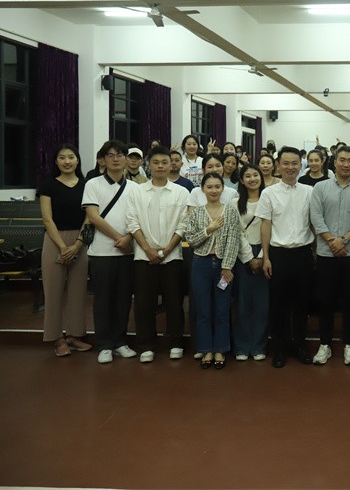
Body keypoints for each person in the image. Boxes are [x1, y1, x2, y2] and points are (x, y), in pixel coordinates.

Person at [125, 145, 189, 363]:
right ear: (149, 165)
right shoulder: (137, 192)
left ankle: (176, 343)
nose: (160, 166)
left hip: (172, 257)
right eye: (156, 162)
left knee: (174, 303)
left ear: (171, 165)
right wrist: (148, 249)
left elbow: (183, 224)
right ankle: (146, 345)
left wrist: (167, 249)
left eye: (164, 162)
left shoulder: (181, 192)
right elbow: (132, 222)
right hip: (144, 256)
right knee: (144, 304)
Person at [310, 146, 350, 366]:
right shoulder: (320, 188)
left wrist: (343, 240)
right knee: (325, 300)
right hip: (326, 254)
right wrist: (332, 241)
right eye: (342, 160)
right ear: (334, 162)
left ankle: (349, 345)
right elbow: (316, 217)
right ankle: (324, 344)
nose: (346, 164)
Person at [258, 147, 315, 368]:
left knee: (302, 303)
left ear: (301, 166)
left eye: (294, 163)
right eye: (286, 163)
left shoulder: (310, 191)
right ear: (278, 166)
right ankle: (279, 348)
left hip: (303, 253)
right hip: (278, 254)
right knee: (278, 304)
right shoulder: (268, 193)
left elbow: (315, 223)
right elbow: (265, 225)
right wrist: (266, 257)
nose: (290, 167)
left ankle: (300, 345)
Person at [81, 140, 137, 364]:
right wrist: (118, 238)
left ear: (126, 159)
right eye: (111, 155)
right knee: (103, 300)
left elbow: (138, 218)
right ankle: (104, 344)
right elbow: (93, 217)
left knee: (123, 299)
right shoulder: (93, 184)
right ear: (103, 159)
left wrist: (129, 238)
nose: (116, 159)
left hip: (128, 252)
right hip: (101, 252)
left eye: (120, 154)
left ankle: (120, 341)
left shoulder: (134, 187)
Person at [184, 173, 242, 369]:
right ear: (202, 189)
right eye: (209, 187)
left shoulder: (230, 212)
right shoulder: (196, 213)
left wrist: (227, 266)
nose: (214, 190)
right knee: (203, 310)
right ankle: (206, 349)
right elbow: (191, 240)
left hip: (223, 266)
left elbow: (234, 240)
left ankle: (220, 349)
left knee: (222, 310)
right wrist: (208, 230)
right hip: (200, 263)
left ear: (222, 189)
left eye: (217, 186)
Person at [38, 144, 91, 357]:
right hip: (54, 240)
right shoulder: (48, 185)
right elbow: (47, 219)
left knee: (78, 291)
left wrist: (77, 244)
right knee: (53, 291)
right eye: (62, 157)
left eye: (71, 157)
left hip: (80, 240)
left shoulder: (86, 185)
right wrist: (62, 246)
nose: (67, 161)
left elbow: (89, 217)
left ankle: (74, 335)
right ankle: (56, 338)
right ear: (56, 161)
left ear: (77, 160)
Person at [233, 164, 269, 362]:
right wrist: (249, 258)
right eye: (248, 176)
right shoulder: (235, 203)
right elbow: (237, 232)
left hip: (266, 253)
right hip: (243, 255)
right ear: (241, 180)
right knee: (243, 302)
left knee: (262, 304)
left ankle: (259, 346)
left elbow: (272, 228)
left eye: (256, 175)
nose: (253, 179)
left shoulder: (269, 199)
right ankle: (242, 346)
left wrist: (262, 256)